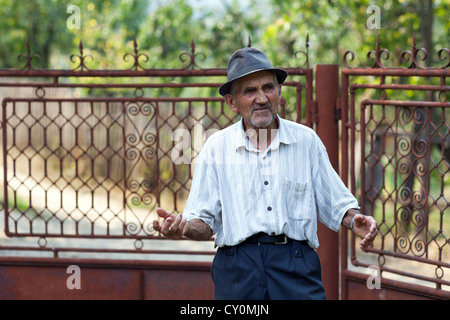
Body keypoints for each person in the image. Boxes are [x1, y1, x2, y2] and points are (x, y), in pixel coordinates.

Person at [153, 47, 378, 300]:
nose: (261, 98)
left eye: (268, 88)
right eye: (250, 91)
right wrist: (183, 228)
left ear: (278, 93)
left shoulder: (306, 141)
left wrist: (355, 219)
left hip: (296, 264)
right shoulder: (216, 148)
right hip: (238, 267)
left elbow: (335, 203)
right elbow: (204, 223)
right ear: (232, 102)